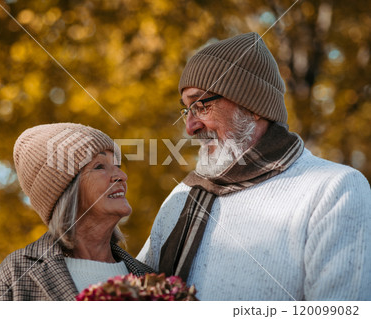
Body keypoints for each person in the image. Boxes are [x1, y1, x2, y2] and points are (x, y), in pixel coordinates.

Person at [137, 32, 371, 300]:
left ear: (253, 106)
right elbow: (132, 292)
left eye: (200, 105)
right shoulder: (182, 197)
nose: (189, 127)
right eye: (186, 110)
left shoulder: (334, 189)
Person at [0, 123, 154, 300]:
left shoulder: (152, 279)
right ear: (67, 191)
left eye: (117, 165)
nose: (121, 176)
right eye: (100, 166)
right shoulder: (11, 279)